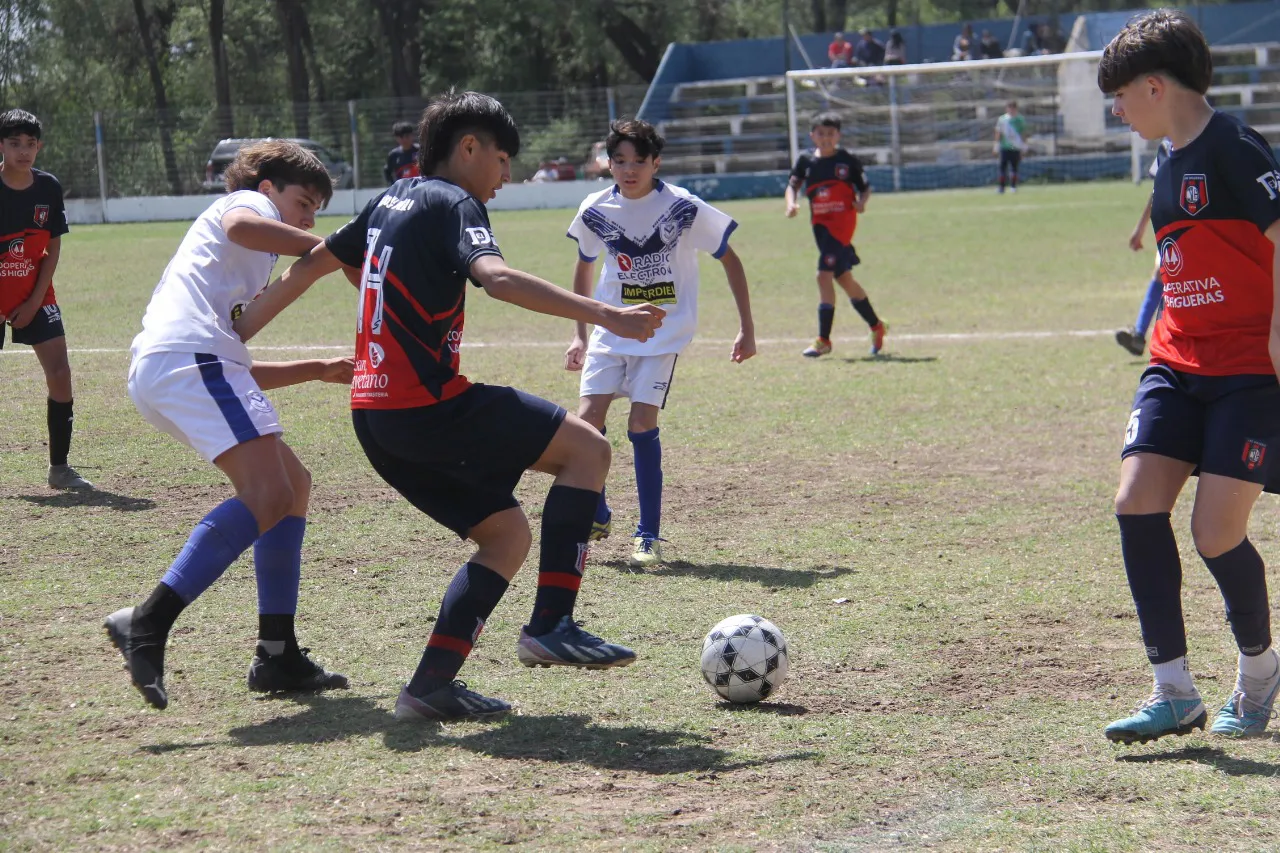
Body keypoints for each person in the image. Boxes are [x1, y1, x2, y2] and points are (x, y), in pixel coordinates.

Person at [264, 91, 667, 722]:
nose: (507, 175)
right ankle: (552, 624)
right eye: (503, 158)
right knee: (588, 450)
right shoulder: (454, 200)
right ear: (470, 148)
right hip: (427, 407)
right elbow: (498, 278)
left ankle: (428, 688)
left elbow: (314, 263)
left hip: (373, 417)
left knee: (505, 536)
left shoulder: (388, 198)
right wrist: (606, 313)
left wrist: (233, 334)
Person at [103, 140, 352, 711]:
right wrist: (332, 244)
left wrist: (316, 360)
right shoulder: (246, 207)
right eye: (303, 201)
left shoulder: (252, 261)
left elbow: (237, 345)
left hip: (179, 366)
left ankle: (277, 652)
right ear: (268, 188)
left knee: (293, 488)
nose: (310, 216)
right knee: (269, 493)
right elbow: (243, 225)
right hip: (187, 362)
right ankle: (147, 622)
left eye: (318, 210)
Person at [1098, 10, 1280, 744]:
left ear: (1153, 85)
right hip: (1177, 361)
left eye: (1119, 95)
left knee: (1214, 531)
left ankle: (1260, 669)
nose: (1115, 109)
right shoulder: (1165, 161)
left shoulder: (1235, 146)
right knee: (1137, 499)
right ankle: (1172, 688)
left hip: (1247, 371)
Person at [563, 119, 756, 569]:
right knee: (586, 423)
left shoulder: (682, 208)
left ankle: (648, 535)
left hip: (660, 334)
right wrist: (578, 332)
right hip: (609, 330)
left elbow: (731, 260)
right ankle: (597, 512)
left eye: (639, 161)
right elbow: (584, 268)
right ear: (607, 163)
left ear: (656, 162)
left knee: (640, 423)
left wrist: (747, 327)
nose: (629, 170)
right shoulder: (595, 209)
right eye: (620, 161)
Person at [0, 109, 93, 490]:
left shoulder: (49, 187)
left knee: (60, 373)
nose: (24, 151)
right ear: (1, 145)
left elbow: (51, 249)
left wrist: (36, 300)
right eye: (14, 143)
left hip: (36, 291)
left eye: (31, 144)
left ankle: (60, 468)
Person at [784, 112, 887, 359]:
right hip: (820, 225)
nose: (826, 138)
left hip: (841, 226)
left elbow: (865, 188)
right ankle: (876, 325)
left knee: (823, 276)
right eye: (821, 134)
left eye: (831, 134)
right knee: (844, 280)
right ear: (813, 136)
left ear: (838, 136)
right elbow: (793, 184)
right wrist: (791, 203)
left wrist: (862, 202)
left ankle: (823, 340)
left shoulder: (847, 161)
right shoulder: (806, 160)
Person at [1116, 138, 1174, 357]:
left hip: (1201, 222)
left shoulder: (1205, 136)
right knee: (1161, 272)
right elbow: (1157, 190)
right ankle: (1139, 335)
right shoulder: (1167, 145)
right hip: (1172, 222)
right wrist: (1140, 228)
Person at [994, 101, 1028, 193]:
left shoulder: (1020, 119)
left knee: (1014, 167)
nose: (1011, 110)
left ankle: (1013, 186)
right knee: (1002, 168)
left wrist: (1024, 146)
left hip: (1015, 146)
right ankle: (1001, 187)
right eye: (1009, 108)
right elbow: (998, 132)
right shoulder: (1002, 119)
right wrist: (996, 145)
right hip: (1005, 146)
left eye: (1013, 108)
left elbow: (1023, 133)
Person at [383, 120, 420, 184]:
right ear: (396, 138)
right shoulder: (393, 155)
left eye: (407, 136)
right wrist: (393, 185)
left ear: (412, 135)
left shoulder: (421, 151)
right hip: (403, 190)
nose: (404, 139)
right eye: (401, 137)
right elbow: (387, 171)